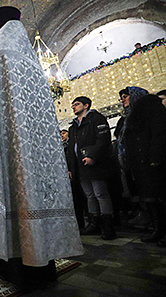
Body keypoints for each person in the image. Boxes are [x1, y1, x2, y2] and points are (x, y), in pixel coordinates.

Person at [0, 6, 83, 290]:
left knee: (11, 202)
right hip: (37, 155)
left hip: (6, 151)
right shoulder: (33, 63)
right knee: (33, 206)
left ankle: (14, 270)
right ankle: (42, 268)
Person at [67, 96, 117, 240]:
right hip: (80, 166)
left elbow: (102, 141)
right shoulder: (73, 126)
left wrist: (93, 157)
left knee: (100, 193)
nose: (73, 107)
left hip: (95, 164)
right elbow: (71, 149)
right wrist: (71, 167)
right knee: (89, 195)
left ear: (86, 105)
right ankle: (94, 223)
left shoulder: (96, 119)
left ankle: (108, 226)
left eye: (77, 104)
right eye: (73, 105)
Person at [122, 94, 166, 245]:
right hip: (140, 164)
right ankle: (157, 230)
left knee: (161, 198)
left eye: (125, 96)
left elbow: (159, 135)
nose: (122, 100)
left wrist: (155, 159)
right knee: (150, 200)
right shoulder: (134, 116)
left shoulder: (155, 110)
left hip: (154, 162)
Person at [116, 87, 151, 229]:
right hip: (130, 160)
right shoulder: (125, 118)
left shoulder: (145, 115)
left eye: (126, 96)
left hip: (145, 158)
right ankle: (144, 215)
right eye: (121, 97)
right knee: (136, 190)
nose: (123, 99)